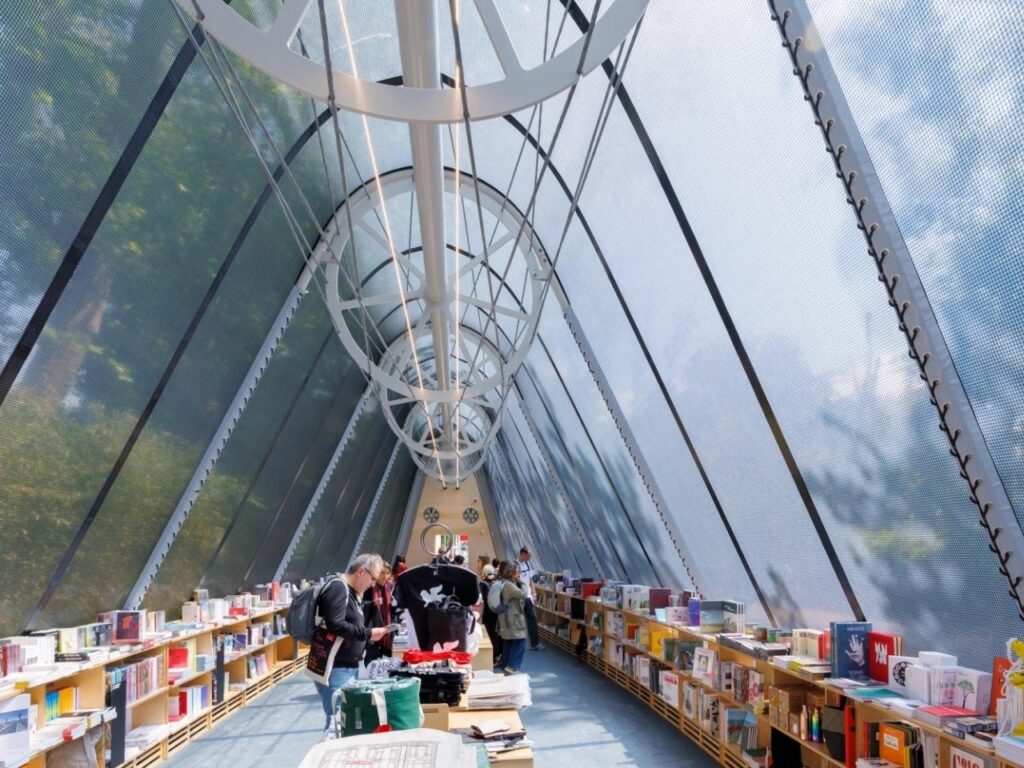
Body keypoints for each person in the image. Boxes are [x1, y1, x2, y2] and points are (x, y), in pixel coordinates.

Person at [313, 553, 390, 738]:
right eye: (372, 578)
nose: (372, 584)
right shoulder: (339, 588)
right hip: (336, 668)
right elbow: (336, 624)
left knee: (342, 720)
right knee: (337, 722)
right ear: (361, 571)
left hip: (346, 667)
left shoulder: (352, 592)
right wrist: (369, 633)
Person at [495, 560, 527, 673]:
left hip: (505, 616)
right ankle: (512, 666)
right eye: (518, 572)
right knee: (520, 641)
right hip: (513, 618)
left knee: (508, 640)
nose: (519, 574)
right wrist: (522, 583)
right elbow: (524, 594)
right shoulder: (510, 585)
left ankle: (505, 664)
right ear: (512, 573)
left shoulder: (502, 582)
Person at [361, 564, 394, 663]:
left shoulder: (389, 587)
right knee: (371, 660)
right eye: (382, 573)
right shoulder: (370, 587)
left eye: (387, 573)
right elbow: (360, 605)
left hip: (387, 630)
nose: (385, 576)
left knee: (386, 661)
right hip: (374, 628)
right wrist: (373, 603)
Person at [516, 546, 543, 651]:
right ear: (523, 554)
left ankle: (535, 643)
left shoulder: (528, 564)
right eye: (528, 556)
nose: (530, 558)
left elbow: (530, 580)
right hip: (519, 596)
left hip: (528, 597)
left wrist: (534, 593)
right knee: (518, 619)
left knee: (532, 618)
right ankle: (517, 642)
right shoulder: (515, 565)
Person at [478, 563, 503, 667]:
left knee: (488, 634)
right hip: (496, 611)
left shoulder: (482, 584)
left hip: (488, 613)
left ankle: (491, 657)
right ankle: (498, 654)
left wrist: (480, 614)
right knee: (496, 633)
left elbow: (481, 600)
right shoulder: (496, 582)